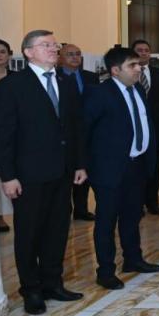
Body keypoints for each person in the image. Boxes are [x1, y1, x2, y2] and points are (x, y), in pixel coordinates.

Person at [0, 30, 87, 315]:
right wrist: (7, 176)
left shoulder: (66, 82)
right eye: (45, 45)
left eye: (54, 45)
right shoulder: (12, 86)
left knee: (57, 230)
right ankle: (31, 290)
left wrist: (79, 164)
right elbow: (3, 135)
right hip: (28, 174)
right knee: (29, 233)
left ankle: (52, 283)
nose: (53, 49)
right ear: (28, 52)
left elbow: (75, 128)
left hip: (62, 172)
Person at [84, 47, 159, 290]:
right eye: (132, 65)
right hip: (109, 168)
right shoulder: (99, 93)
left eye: (138, 64)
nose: (138, 69)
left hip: (136, 165)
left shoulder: (138, 89)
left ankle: (133, 259)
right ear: (115, 70)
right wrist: (83, 165)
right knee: (106, 221)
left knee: (132, 216)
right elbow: (84, 131)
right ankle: (106, 271)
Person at [58, 42, 100, 221]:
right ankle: (64, 210)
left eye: (78, 54)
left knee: (84, 171)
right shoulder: (55, 77)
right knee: (65, 174)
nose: (75, 57)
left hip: (87, 133)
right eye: (70, 54)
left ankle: (81, 209)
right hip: (65, 134)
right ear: (60, 58)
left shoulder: (91, 77)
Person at [132, 39, 159, 216]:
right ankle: (136, 203)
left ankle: (152, 201)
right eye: (139, 50)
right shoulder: (129, 73)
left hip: (155, 129)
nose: (143, 53)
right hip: (135, 130)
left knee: (154, 168)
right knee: (137, 169)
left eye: (146, 50)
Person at [0, 38, 14, 233]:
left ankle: (0, 216)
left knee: (4, 176)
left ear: (9, 55)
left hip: (9, 134)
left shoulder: (16, 79)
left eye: (2, 51)